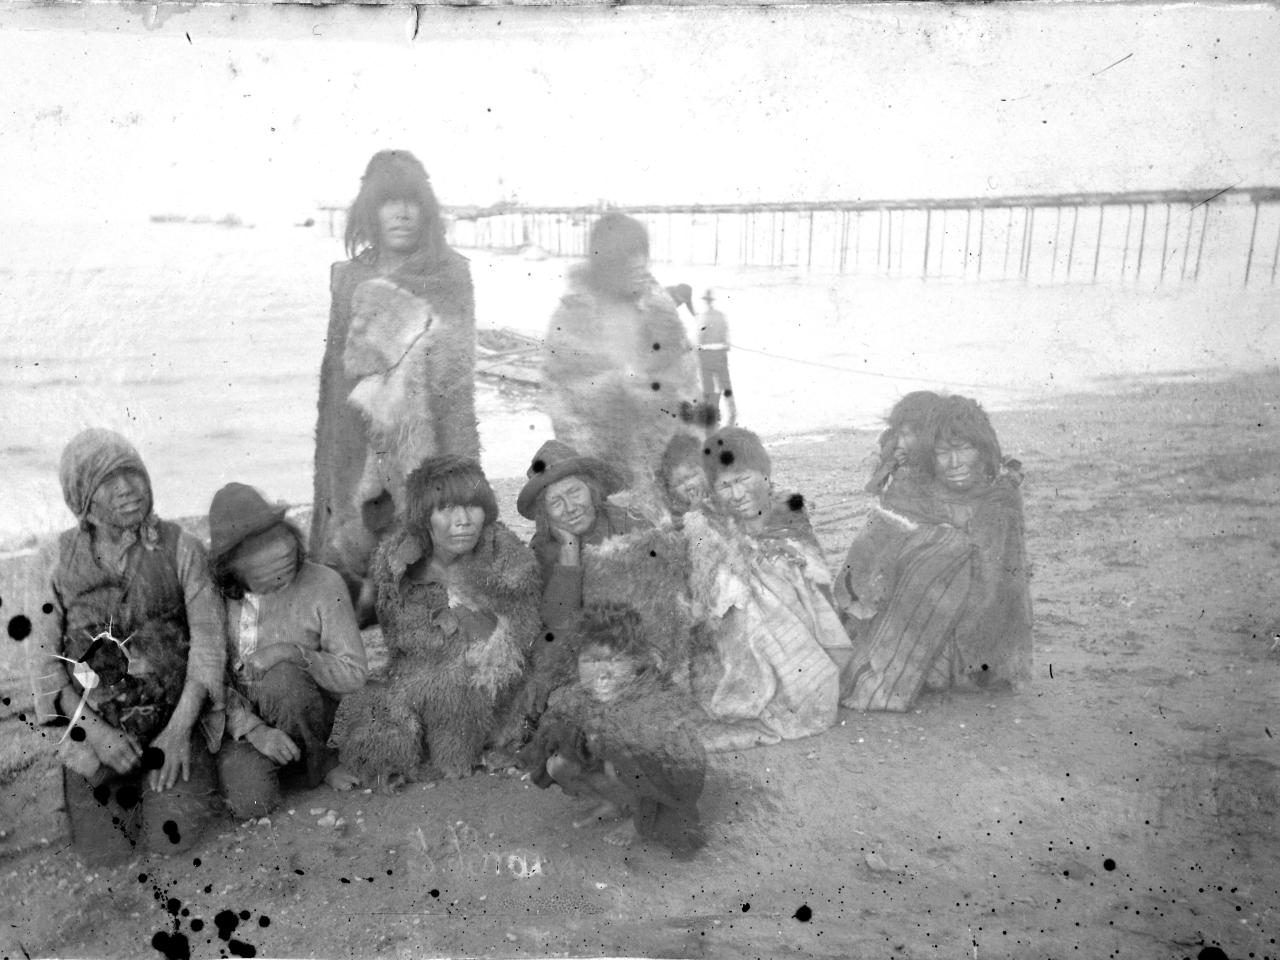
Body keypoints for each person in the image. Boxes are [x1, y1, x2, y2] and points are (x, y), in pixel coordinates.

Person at [25, 429, 225, 864]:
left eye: (132, 473)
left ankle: (187, 775)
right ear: (83, 498)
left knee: (172, 839)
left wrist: (177, 732)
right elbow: (44, 667)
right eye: (108, 481)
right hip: (96, 735)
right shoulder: (53, 561)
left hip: (175, 725)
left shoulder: (181, 547)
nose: (128, 489)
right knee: (104, 854)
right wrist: (97, 735)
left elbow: (209, 647)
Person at [311, 149, 481, 623]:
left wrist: (466, 478)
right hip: (355, 430)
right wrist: (332, 461)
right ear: (371, 210)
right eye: (390, 202)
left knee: (422, 548)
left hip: (421, 429)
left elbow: (456, 385)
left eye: (412, 201)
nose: (403, 213)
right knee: (353, 539)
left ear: (427, 210)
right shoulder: (349, 280)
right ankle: (364, 585)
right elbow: (332, 380)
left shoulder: (449, 275)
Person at [336, 456, 541, 785]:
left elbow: (524, 629)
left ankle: (474, 745)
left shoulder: (507, 556)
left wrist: (476, 636)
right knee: (385, 724)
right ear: (425, 517)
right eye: (446, 509)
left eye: (472, 508)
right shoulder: (397, 563)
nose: (463, 521)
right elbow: (401, 639)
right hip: (428, 677)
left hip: (502, 680)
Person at [838, 396, 1033, 712]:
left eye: (964, 450)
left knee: (947, 551)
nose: (954, 463)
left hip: (977, 632)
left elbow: (999, 586)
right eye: (943, 453)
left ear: (983, 452)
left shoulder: (999, 499)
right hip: (918, 623)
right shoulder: (914, 489)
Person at [206, 483, 368, 820]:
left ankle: (318, 763)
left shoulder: (324, 583)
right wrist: (255, 731)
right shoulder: (211, 597)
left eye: (288, 566)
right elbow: (208, 679)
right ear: (232, 571)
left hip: (306, 713)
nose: (284, 580)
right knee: (252, 802)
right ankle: (263, 766)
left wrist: (291, 652)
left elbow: (354, 675)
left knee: (283, 679)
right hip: (241, 725)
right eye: (268, 578)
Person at [684, 427, 852, 750]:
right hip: (737, 631)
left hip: (796, 617)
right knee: (734, 586)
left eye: (744, 479)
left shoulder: (787, 506)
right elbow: (704, 587)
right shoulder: (703, 521)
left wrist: (771, 566)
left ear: (764, 473)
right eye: (725, 485)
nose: (737, 494)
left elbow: (813, 565)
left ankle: (799, 678)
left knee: (778, 574)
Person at [542, 212, 701, 519]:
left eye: (642, 254)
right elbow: (560, 396)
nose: (639, 263)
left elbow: (688, 383)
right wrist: (615, 385)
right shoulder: (574, 314)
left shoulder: (658, 306)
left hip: (666, 459)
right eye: (628, 256)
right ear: (606, 263)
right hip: (604, 466)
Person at [517, 439, 695, 707]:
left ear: (590, 490)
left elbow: (662, 591)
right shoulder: (543, 548)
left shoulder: (628, 522)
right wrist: (569, 549)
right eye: (556, 502)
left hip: (638, 634)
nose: (570, 507)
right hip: (583, 647)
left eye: (575, 492)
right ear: (546, 513)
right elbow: (557, 620)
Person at [519, 603, 706, 858]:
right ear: (576, 660)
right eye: (592, 661)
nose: (602, 673)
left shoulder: (651, 698)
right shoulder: (580, 694)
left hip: (663, 780)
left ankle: (641, 821)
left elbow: (656, 764)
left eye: (614, 660)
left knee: (618, 764)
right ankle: (616, 803)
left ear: (636, 662)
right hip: (620, 763)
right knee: (559, 764)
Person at [696, 289, 736, 428]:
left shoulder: (703, 317)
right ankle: (732, 412)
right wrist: (726, 346)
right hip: (720, 354)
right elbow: (727, 336)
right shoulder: (721, 316)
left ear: (705, 302)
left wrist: (696, 349)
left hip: (706, 355)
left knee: (708, 386)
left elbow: (699, 338)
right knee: (725, 383)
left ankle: (713, 414)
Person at [657, 432, 712, 528]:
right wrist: (694, 512)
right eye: (678, 483)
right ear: (672, 491)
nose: (688, 486)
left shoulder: (719, 491)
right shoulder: (677, 513)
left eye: (692, 476)